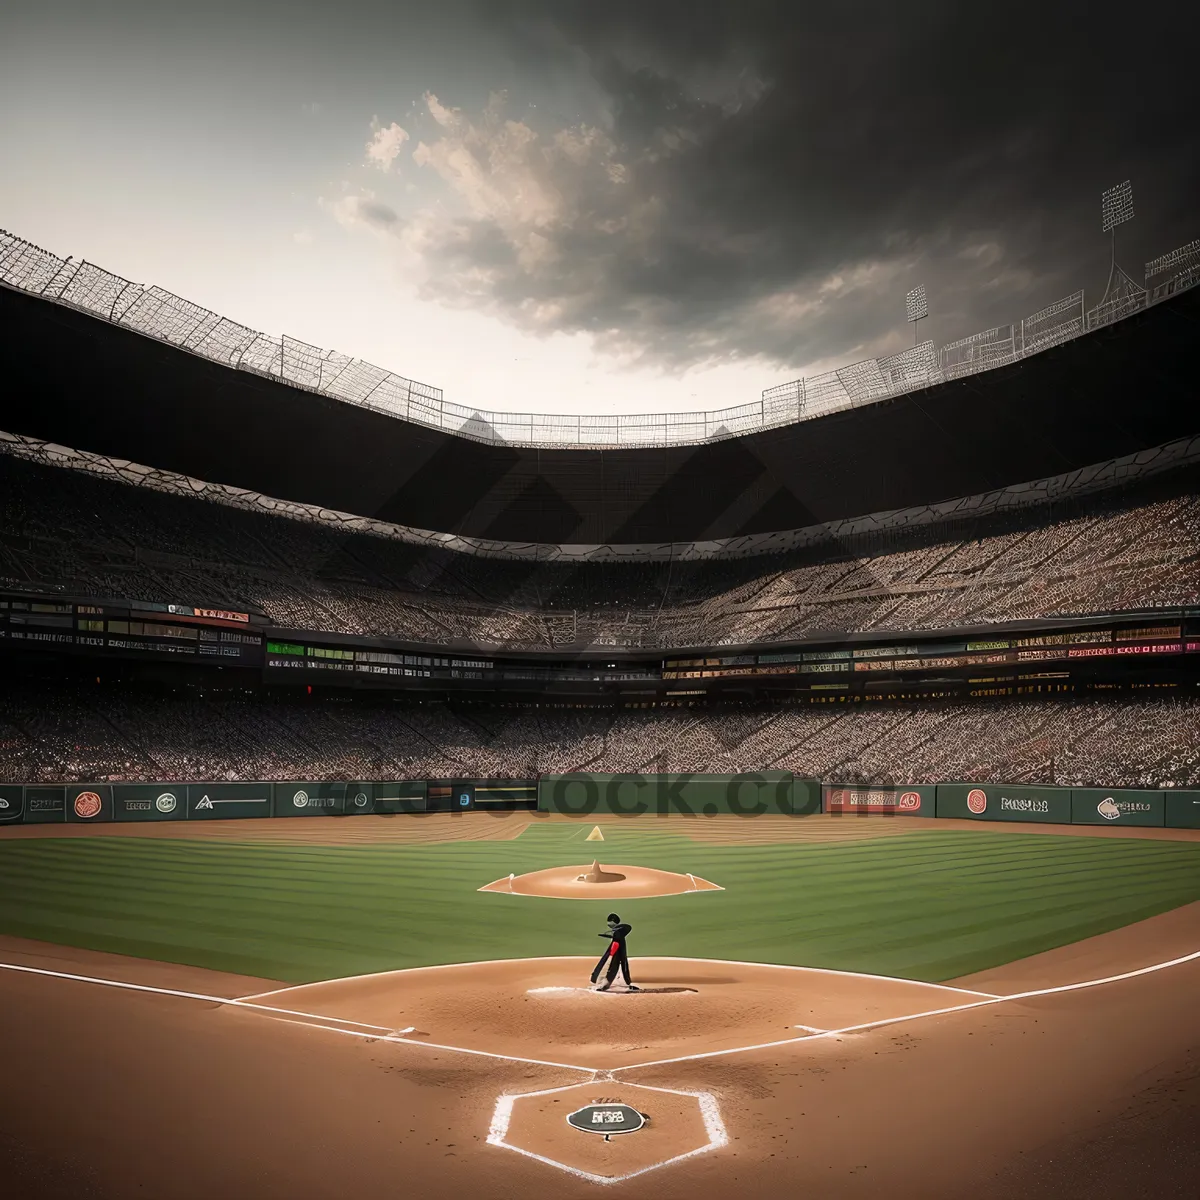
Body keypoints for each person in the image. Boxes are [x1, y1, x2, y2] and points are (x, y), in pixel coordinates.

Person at [590, 913, 638, 991]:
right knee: (616, 967)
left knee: (610, 966)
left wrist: (611, 955)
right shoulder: (619, 933)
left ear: (613, 921)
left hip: (615, 955)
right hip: (618, 955)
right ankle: (614, 983)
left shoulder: (619, 932)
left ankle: (606, 983)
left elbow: (627, 927)